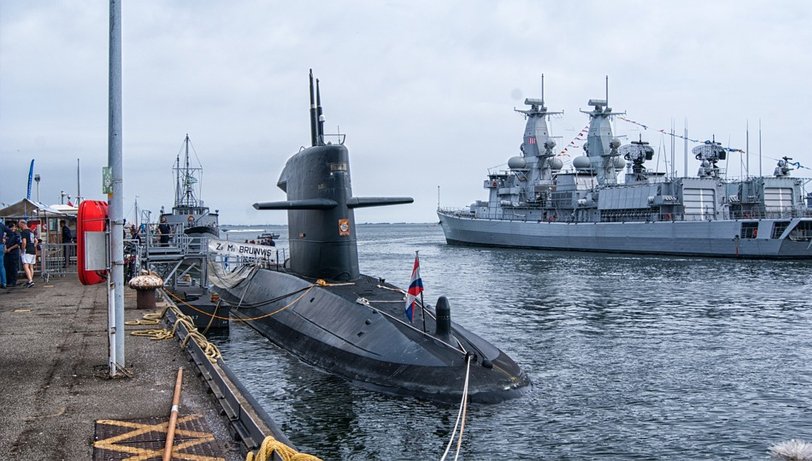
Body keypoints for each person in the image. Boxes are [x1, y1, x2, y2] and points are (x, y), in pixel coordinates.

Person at [19, 220, 36, 288]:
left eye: (19, 224)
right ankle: (30, 280)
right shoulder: (31, 232)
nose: (19, 226)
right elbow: (36, 241)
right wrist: (33, 246)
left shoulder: (24, 232)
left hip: (27, 250)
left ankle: (30, 281)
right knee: (31, 266)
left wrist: (23, 249)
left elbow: (24, 242)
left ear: (22, 224)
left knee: (25, 265)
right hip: (32, 250)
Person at [4, 221, 21, 288]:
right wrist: (5, 248)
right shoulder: (7, 235)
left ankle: (13, 282)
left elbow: (17, 244)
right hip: (7, 253)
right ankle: (8, 281)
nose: (12, 229)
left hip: (13, 253)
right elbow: (4, 242)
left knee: (13, 268)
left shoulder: (16, 234)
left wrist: (10, 249)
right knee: (7, 267)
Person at [0, 219, 7, 289]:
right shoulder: (2, 225)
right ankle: (4, 282)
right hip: (1, 245)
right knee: (1, 266)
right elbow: (10, 232)